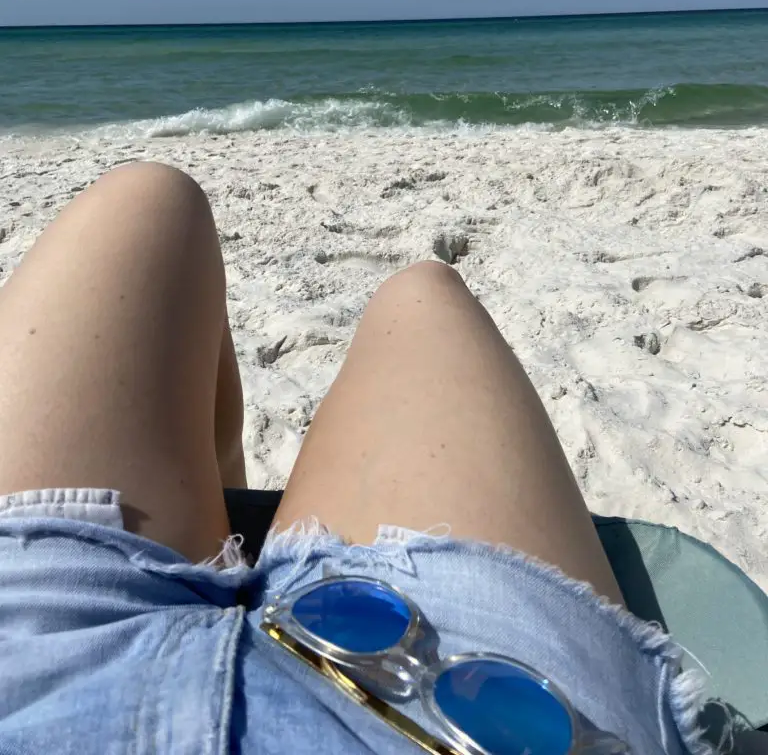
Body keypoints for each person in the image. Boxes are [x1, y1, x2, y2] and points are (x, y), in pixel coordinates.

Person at [0, 162, 708, 754]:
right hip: (452, 707)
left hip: (29, 668)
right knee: (422, 299)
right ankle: (221, 525)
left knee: (150, 198)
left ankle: (222, 527)